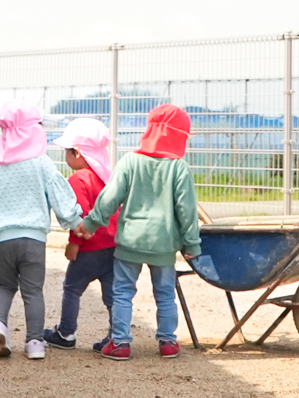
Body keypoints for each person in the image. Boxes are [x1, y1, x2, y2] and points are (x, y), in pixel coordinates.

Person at [71, 103, 204, 361]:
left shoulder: (130, 161)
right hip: (164, 244)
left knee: (122, 291)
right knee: (165, 293)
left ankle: (120, 343)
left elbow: (109, 199)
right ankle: (167, 342)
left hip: (130, 242)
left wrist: (89, 224)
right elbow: (187, 211)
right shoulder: (179, 167)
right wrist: (191, 245)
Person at [0, 102, 84, 360]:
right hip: (33, 238)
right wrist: (74, 220)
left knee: (3, 286)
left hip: (1, 238)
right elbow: (59, 194)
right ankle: (35, 342)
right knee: (33, 291)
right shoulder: (41, 163)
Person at [41, 118, 119, 351]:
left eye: (67, 151)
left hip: (88, 249)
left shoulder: (78, 179)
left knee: (72, 289)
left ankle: (66, 333)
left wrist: (73, 243)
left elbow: (81, 219)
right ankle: (116, 335)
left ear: (76, 152)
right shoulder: (108, 178)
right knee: (112, 296)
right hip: (112, 247)